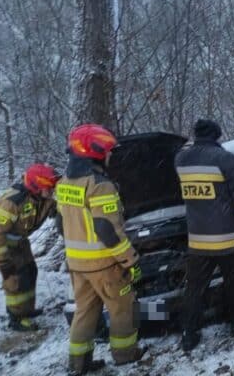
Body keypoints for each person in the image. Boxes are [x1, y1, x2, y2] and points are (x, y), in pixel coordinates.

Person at [56, 124, 145, 374]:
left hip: (77, 264)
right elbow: (108, 230)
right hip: (105, 264)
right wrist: (130, 260)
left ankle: (78, 362)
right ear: (94, 152)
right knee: (122, 307)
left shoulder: (65, 183)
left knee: (84, 311)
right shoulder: (100, 185)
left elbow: (61, 224)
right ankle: (126, 354)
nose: (110, 156)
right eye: (107, 151)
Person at [175, 119, 234, 351]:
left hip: (197, 240)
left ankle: (188, 332)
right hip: (229, 239)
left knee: (194, 288)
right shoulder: (225, 160)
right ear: (217, 135)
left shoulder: (181, 160)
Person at [0, 163, 58, 331]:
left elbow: (56, 208)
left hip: (18, 241)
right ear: (36, 186)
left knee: (29, 271)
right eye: (48, 187)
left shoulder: (43, 198)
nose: (51, 191)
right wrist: (3, 263)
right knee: (14, 278)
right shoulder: (12, 202)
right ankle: (16, 319)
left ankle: (26, 310)